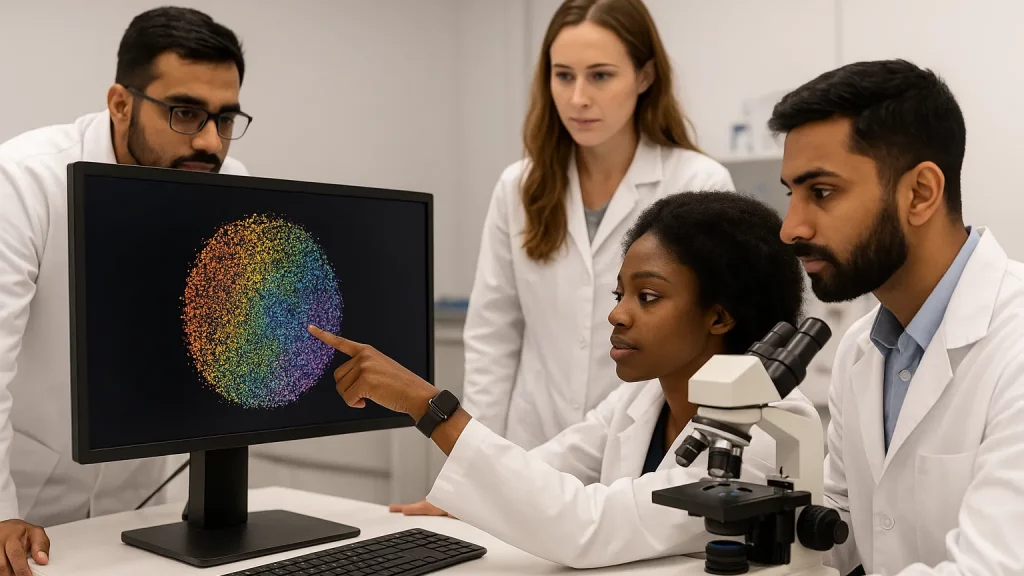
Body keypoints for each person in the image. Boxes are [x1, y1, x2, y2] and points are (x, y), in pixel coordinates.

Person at [311, 191, 819, 569]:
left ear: (720, 317)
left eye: (648, 297)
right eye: (619, 294)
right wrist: (469, 497)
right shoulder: (640, 400)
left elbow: (586, 526)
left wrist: (428, 406)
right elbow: (547, 468)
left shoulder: (770, 432)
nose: (617, 316)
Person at [0, 6, 250, 572]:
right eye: (185, 113)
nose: (211, 143)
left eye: (226, 118)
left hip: (147, 508)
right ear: (120, 103)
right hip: (25, 505)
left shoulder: (228, 189)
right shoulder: (23, 180)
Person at [770, 59, 1024, 576]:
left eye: (821, 192)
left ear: (920, 193)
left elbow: (992, 567)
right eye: (790, 194)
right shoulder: (862, 347)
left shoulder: (1014, 343)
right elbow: (843, 528)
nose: (791, 228)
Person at [462, 0, 734, 451]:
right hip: (530, 447)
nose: (578, 98)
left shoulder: (698, 183)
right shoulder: (519, 187)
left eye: (601, 75)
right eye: (563, 75)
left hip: (645, 448)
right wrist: (476, 466)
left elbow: (716, 341)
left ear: (644, 76)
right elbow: (493, 334)